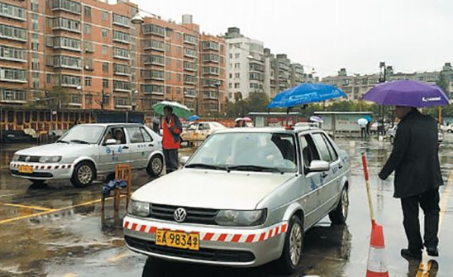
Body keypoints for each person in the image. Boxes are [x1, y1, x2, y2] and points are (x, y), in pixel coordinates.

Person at [379, 106, 443, 260]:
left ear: (406, 107)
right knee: (432, 210)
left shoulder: (405, 126)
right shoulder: (431, 122)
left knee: (410, 215)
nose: (395, 110)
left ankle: (414, 249)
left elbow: (398, 154)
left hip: (409, 179)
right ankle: (432, 244)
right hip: (430, 175)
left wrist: (383, 173)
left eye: (397, 107)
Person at [162, 106, 182, 174]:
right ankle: (168, 175)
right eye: (164, 111)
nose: (164, 112)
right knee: (167, 164)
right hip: (165, 144)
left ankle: (174, 176)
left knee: (173, 163)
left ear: (170, 111)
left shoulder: (175, 119)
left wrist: (171, 128)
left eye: (165, 111)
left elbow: (179, 130)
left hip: (173, 145)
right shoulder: (165, 119)